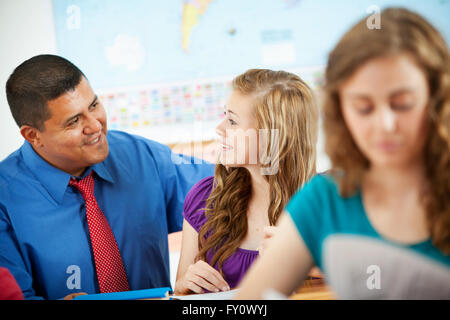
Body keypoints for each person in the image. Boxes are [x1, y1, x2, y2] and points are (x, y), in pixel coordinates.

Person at [236, 8, 450, 299]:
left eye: (403, 103)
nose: (385, 125)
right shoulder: (325, 199)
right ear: (341, 112)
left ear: (437, 99)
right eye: (363, 107)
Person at [0, 54, 214, 300]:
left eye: (93, 105)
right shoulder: (4, 200)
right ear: (32, 135)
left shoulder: (140, 156)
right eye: (73, 121)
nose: (95, 126)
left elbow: (227, 187)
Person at [174, 69, 318, 294]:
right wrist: (184, 286)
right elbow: (180, 291)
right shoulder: (204, 198)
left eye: (232, 121)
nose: (220, 129)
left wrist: (315, 263)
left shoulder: (327, 202)